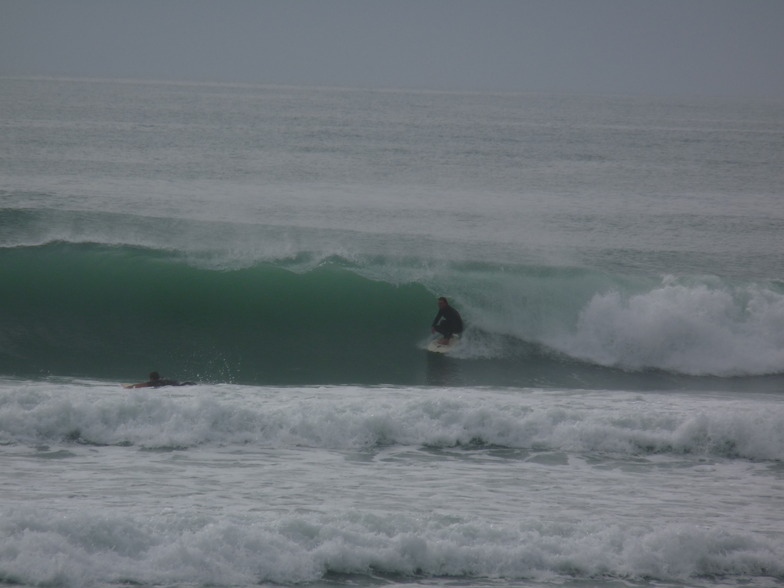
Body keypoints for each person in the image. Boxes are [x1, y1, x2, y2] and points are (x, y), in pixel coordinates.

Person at [124, 371, 194, 389]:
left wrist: (129, 387)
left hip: (178, 387)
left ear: (151, 378)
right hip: (182, 385)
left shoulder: (155, 382)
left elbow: (142, 385)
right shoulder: (162, 379)